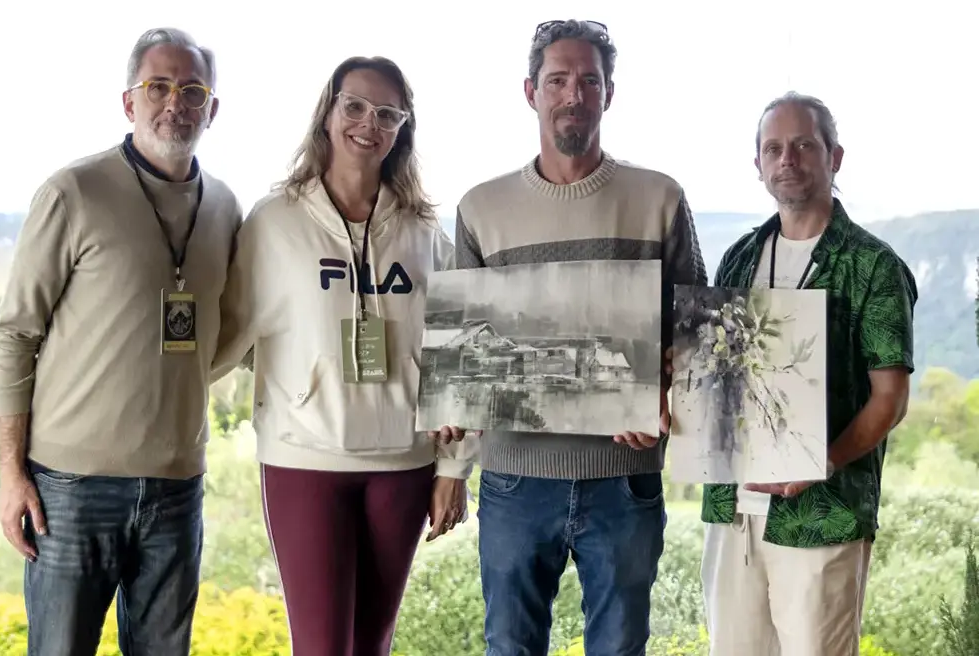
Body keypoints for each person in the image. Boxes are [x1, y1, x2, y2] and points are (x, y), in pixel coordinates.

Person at [0, 27, 241, 656]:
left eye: (192, 90)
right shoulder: (73, 191)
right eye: (158, 86)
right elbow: (14, 336)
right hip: (71, 488)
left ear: (212, 109)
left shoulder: (225, 207)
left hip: (178, 487)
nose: (175, 102)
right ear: (129, 102)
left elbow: (229, 333)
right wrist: (11, 473)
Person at [211, 55, 480, 656]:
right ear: (328, 114)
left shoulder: (421, 231)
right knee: (322, 646)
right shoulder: (275, 221)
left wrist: (454, 468)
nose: (368, 124)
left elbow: (459, 354)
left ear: (402, 129)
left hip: (404, 461)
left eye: (388, 114)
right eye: (354, 106)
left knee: (372, 644)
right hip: (304, 458)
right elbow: (229, 335)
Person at [455, 19, 707, 656]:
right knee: (510, 648)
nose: (574, 94)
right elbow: (466, 351)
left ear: (609, 93)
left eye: (589, 81)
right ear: (530, 91)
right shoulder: (480, 208)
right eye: (558, 80)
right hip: (514, 479)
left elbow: (698, 333)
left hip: (624, 476)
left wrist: (663, 393)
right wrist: (453, 411)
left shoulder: (659, 197)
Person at [699, 92, 917, 656]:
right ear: (758, 164)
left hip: (823, 515)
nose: (787, 160)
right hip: (734, 509)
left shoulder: (874, 266)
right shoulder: (739, 257)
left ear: (834, 157)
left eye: (803, 145)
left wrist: (824, 460)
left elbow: (890, 398)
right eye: (773, 149)